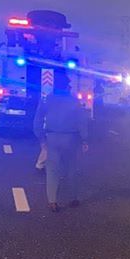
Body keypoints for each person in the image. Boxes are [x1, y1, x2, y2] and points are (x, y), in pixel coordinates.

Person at [33, 70, 88, 212]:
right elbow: (82, 121)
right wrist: (84, 139)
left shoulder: (46, 99)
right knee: (71, 169)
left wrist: (41, 138)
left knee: (52, 169)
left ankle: (52, 201)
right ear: (67, 87)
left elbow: (37, 120)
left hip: (52, 138)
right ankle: (73, 198)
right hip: (71, 138)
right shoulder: (74, 101)